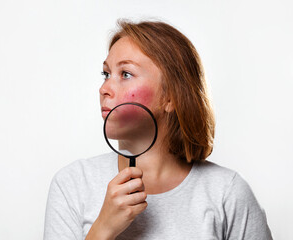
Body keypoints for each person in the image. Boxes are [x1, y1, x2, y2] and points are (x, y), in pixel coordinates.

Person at [44, 20, 273, 240]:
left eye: (125, 74)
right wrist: (102, 230)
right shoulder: (73, 184)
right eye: (106, 74)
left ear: (171, 97)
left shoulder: (227, 192)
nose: (104, 88)